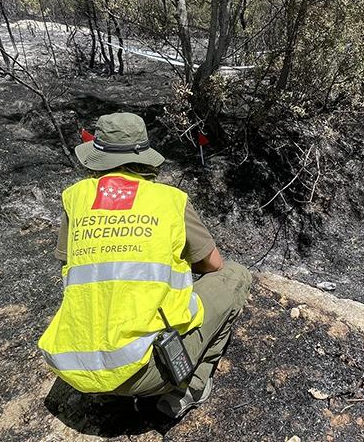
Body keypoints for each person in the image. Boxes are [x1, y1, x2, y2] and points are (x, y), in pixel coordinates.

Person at [38, 112, 251, 418]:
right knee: (236, 276)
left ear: (96, 156)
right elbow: (214, 264)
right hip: (146, 371)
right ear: (145, 157)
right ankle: (189, 388)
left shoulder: (75, 199)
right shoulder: (169, 200)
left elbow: (74, 263)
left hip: (76, 369)